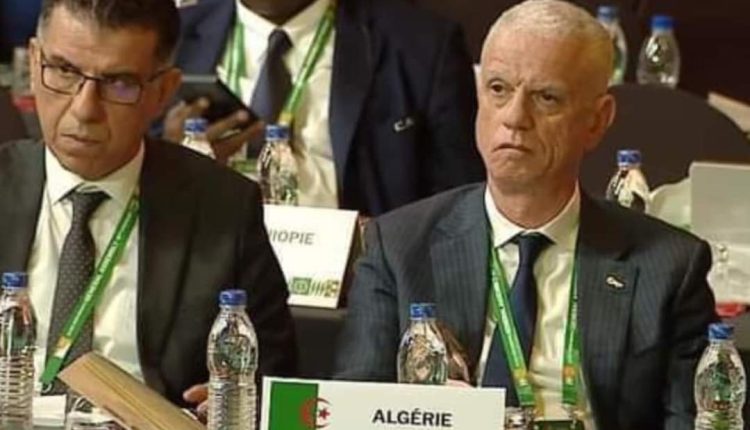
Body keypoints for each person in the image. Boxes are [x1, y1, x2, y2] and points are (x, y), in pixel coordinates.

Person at [333, 1, 717, 428]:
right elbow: (351, 412)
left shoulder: (669, 268)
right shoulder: (399, 247)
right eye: (498, 89)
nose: (515, 118)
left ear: (597, 121)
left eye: (546, 98)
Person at [0, 0, 296, 409]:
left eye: (118, 83)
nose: (84, 109)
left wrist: (238, 401)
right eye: (64, 71)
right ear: (34, 62)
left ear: (163, 91)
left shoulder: (223, 207)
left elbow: (276, 378)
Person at [161, 0, 484, 216]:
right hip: (210, 267)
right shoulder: (168, 35)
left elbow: (459, 203)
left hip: (354, 278)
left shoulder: (421, 43)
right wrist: (171, 158)